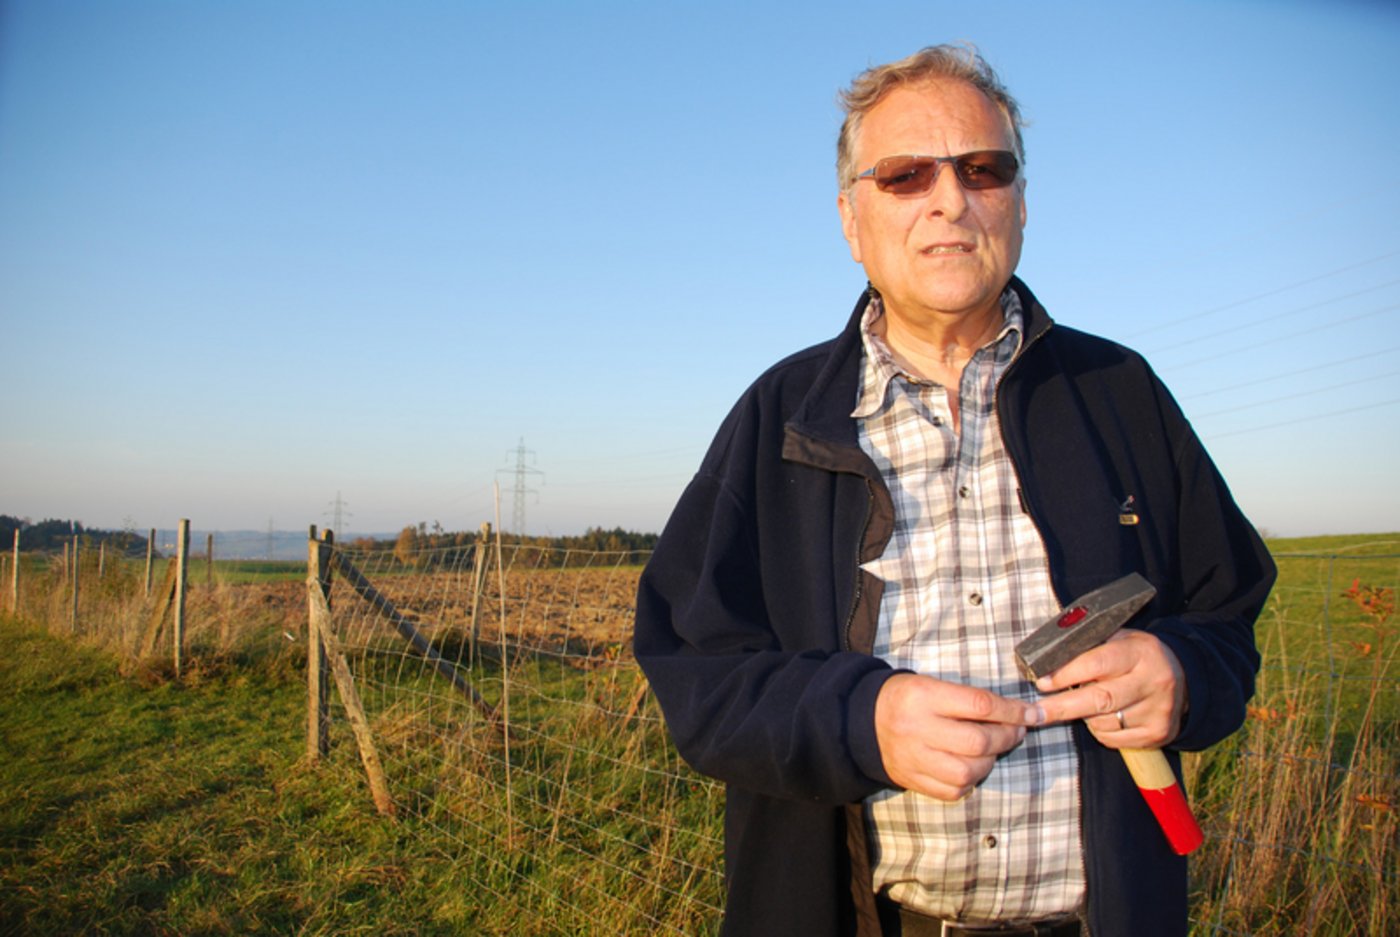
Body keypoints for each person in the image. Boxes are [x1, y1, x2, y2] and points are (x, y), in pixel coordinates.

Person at [633, 43, 1275, 937]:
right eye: (904, 176)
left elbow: (1228, 616)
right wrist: (863, 719)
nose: (950, 200)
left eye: (984, 168)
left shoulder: (1121, 391)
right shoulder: (779, 418)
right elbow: (696, 676)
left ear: (1018, 201)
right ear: (851, 221)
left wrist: (1180, 672)